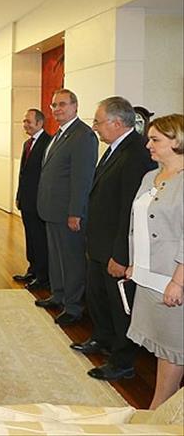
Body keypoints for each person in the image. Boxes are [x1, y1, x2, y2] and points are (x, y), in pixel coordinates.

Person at [71, 97, 155, 381]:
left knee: (120, 307)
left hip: (115, 248)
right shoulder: (113, 149)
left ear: (117, 123)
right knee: (98, 298)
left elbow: (129, 210)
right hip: (99, 244)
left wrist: (121, 255)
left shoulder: (135, 154)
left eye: (98, 122)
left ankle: (122, 361)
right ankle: (102, 338)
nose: (94, 127)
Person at [126, 113, 184, 409]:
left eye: (155, 139)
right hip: (148, 276)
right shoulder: (150, 177)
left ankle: (158, 410)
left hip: (172, 279)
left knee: (174, 348)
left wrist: (178, 282)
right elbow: (137, 224)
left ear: (177, 141)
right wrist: (134, 263)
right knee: (162, 346)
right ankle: (163, 410)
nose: (148, 144)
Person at [36, 89, 98, 325]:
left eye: (62, 104)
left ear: (75, 106)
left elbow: (82, 179)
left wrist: (75, 212)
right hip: (51, 210)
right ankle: (59, 295)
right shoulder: (59, 134)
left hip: (68, 213)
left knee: (72, 261)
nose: (57, 109)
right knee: (56, 258)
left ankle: (73, 307)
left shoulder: (83, 135)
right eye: (54, 105)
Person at [13, 108, 52, 291]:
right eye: (24, 121)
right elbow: (23, 174)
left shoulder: (49, 143)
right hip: (27, 201)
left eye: (28, 121)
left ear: (39, 123)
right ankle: (32, 270)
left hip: (40, 202)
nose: (25, 125)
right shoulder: (27, 144)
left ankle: (43, 277)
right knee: (30, 238)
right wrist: (19, 196)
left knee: (40, 240)